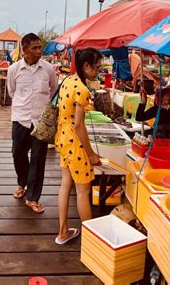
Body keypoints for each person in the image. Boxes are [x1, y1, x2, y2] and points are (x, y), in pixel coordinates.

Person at [54, 48, 103, 244]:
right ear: (86, 66)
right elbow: (79, 125)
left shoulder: (67, 81)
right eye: (97, 67)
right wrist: (91, 154)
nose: (98, 71)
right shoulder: (82, 90)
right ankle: (93, 241)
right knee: (83, 191)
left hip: (63, 138)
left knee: (66, 184)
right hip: (75, 141)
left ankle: (63, 231)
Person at [6, 33, 58, 213]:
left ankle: (33, 197)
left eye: (39, 47)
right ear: (24, 50)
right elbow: (12, 92)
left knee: (38, 159)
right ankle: (23, 182)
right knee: (17, 154)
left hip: (41, 121)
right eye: (34, 48)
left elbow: (53, 90)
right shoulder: (13, 70)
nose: (39, 52)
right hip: (20, 118)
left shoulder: (48, 69)